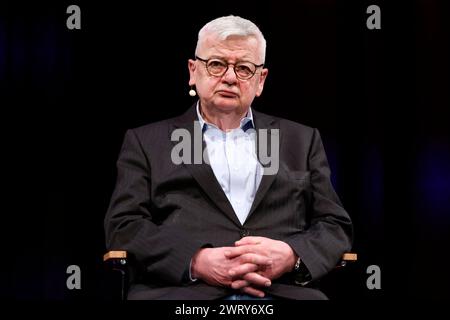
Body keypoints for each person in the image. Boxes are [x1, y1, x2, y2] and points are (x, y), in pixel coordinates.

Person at [104, 15, 352, 300]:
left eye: (244, 68)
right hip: (183, 292)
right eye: (217, 64)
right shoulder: (147, 142)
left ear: (261, 80)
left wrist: (291, 255)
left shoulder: (300, 140)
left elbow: (334, 225)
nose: (230, 77)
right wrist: (196, 261)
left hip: (279, 292)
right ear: (193, 71)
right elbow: (124, 226)